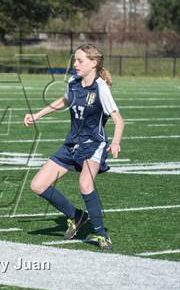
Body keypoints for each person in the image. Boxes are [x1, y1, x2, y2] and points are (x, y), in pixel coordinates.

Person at [23, 44, 124, 250]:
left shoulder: (101, 88)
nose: (75, 64)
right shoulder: (73, 82)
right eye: (74, 60)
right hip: (72, 145)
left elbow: (119, 120)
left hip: (93, 145)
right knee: (38, 185)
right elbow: (64, 101)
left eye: (80, 61)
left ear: (93, 63)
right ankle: (77, 216)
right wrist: (37, 115)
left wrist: (115, 142)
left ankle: (102, 234)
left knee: (85, 184)